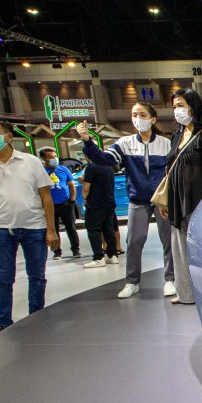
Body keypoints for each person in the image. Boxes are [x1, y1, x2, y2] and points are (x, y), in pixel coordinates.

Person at [0, 118, 59, 331]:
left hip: (34, 227)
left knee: (37, 277)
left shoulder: (31, 162)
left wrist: (51, 229)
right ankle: (4, 323)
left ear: (8, 137)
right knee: (3, 279)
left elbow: (45, 196)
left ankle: (36, 318)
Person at [77, 102, 174, 299]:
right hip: (138, 199)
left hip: (162, 199)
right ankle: (132, 282)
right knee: (134, 240)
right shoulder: (125, 143)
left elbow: (174, 170)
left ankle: (170, 279)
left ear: (152, 119)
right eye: (134, 114)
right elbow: (105, 159)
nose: (138, 118)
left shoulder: (166, 143)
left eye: (142, 114)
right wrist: (88, 142)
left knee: (168, 240)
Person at [164, 88, 202, 304]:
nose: (177, 110)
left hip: (196, 201)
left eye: (181, 105)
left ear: (193, 106)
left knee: (199, 251)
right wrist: (166, 200)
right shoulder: (177, 136)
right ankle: (185, 293)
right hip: (176, 201)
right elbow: (169, 168)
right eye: (174, 107)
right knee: (179, 248)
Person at [38, 147, 81, 259]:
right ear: (44, 158)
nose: (54, 159)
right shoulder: (41, 172)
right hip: (50, 206)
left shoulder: (63, 169)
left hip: (65, 204)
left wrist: (71, 201)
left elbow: (72, 186)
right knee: (54, 229)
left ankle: (76, 250)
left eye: (55, 156)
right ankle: (57, 251)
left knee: (71, 228)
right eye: (51, 157)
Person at [79, 161, 118, 268]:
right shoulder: (108, 166)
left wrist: (85, 198)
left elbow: (86, 187)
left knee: (93, 229)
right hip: (109, 202)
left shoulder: (91, 167)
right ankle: (112, 255)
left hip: (96, 203)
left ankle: (98, 258)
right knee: (108, 229)